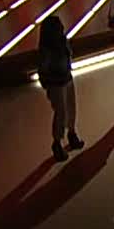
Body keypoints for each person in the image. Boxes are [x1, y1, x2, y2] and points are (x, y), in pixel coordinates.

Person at [38, 16, 84, 162]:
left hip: (67, 78)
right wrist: (46, 82)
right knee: (61, 113)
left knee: (71, 108)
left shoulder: (62, 41)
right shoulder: (47, 49)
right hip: (55, 84)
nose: (62, 28)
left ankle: (71, 133)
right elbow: (43, 68)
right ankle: (57, 142)